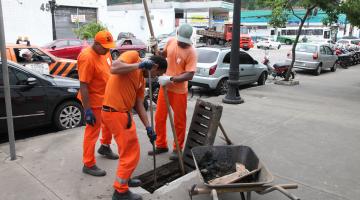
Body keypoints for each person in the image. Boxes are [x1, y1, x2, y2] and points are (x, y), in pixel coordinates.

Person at [102, 51, 167, 200]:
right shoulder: (133, 56)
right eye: (157, 74)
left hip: (124, 114)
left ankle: (126, 178)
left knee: (131, 150)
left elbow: (139, 104)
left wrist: (148, 127)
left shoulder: (142, 81)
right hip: (115, 112)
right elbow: (114, 68)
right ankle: (120, 191)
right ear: (154, 66)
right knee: (130, 153)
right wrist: (139, 65)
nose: (156, 77)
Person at [148, 24, 197, 160]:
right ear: (177, 35)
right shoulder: (171, 42)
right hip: (166, 88)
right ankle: (161, 144)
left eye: (184, 41)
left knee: (179, 121)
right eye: (180, 40)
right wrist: (154, 48)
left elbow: (189, 75)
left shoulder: (191, 52)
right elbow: (163, 55)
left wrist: (171, 78)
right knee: (159, 117)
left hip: (179, 91)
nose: (182, 43)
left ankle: (178, 148)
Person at [77, 30, 119, 177]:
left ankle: (105, 146)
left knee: (108, 124)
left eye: (109, 47)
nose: (108, 49)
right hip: (93, 101)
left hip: (106, 97)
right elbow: (83, 85)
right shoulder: (87, 57)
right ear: (96, 44)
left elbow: (110, 69)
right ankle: (88, 164)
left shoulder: (104, 52)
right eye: (105, 47)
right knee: (92, 132)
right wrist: (87, 109)